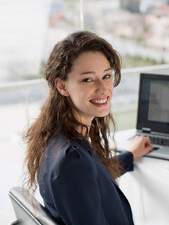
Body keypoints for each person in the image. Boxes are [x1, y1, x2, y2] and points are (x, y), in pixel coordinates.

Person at [23, 31, 154, 225]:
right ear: (62, 86)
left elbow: (88, 181)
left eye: (107, 75)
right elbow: (80, 172)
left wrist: (130, 156)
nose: (103, 89)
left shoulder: (55, 136)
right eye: (87, 79)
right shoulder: (71, 159)